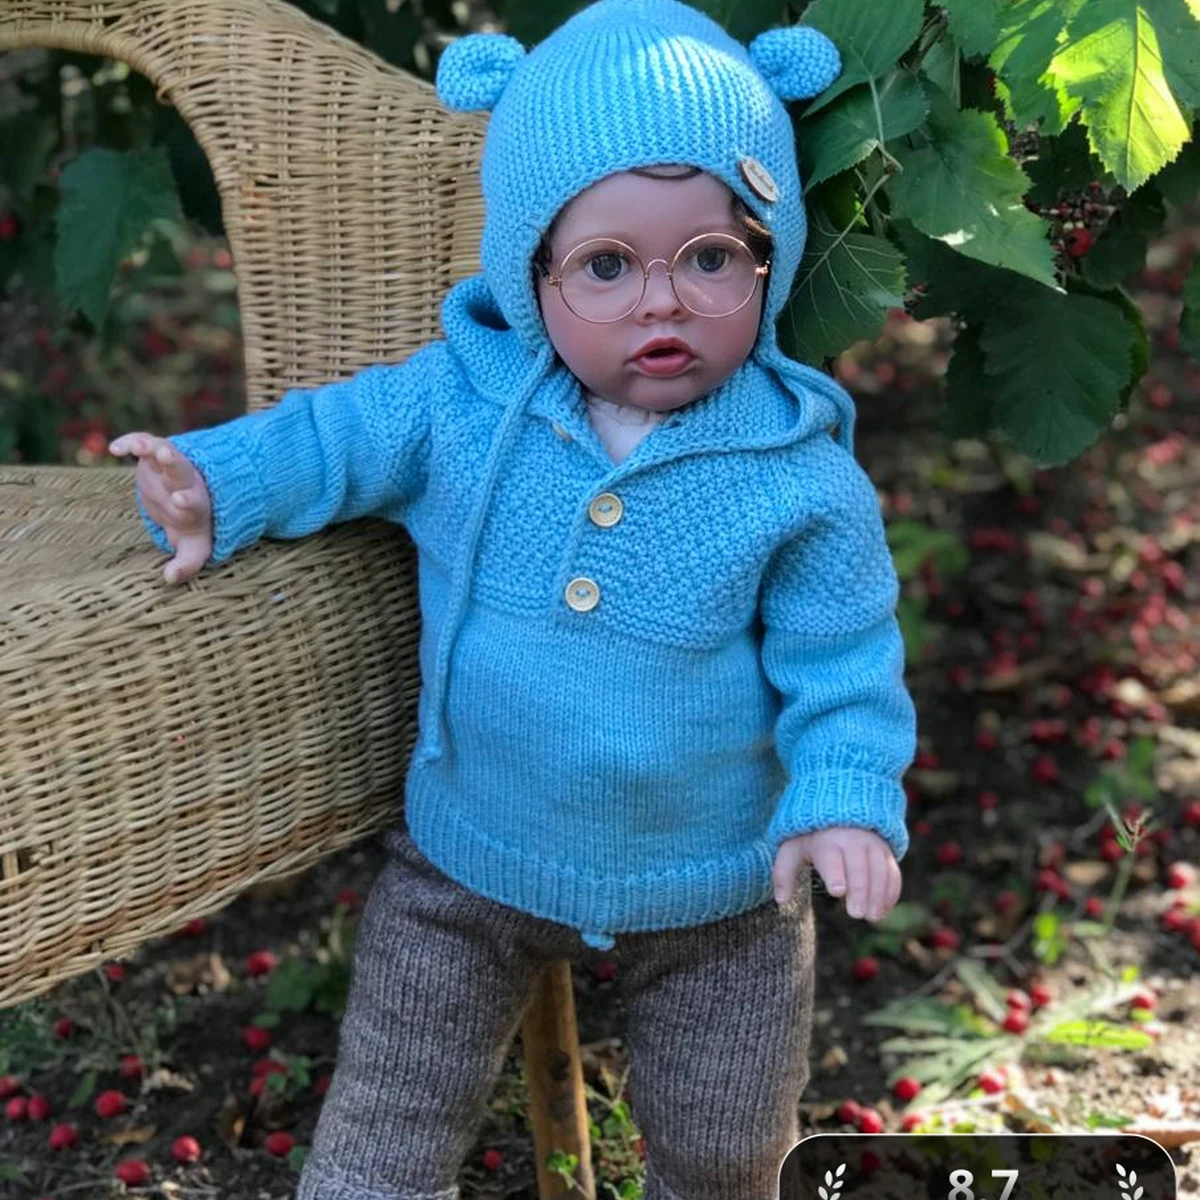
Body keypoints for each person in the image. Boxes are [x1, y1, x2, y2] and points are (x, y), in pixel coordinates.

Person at [108, 1, 918, 1196]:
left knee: (727, 1143)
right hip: (469, 859)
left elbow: (843, 662)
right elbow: (334, 439)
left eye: (711, 258)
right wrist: (214, 486)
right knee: (390, 1111)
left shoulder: (798, 478)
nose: (662, 301)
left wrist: (843, 797)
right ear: (529, 272)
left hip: (721, 888)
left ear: (773, 258)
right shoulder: (462, 402)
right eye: (607, 266)